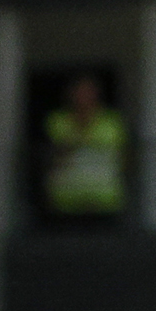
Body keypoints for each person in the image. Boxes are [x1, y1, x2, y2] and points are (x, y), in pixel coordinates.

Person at [42, 73, 127, 221]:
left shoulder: (112, 122)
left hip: (105, 199)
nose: (84, 97)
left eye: (88, 92)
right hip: (65, 200)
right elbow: (50, 155)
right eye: (80, 92)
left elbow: (122, 156)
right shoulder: (57, 121)